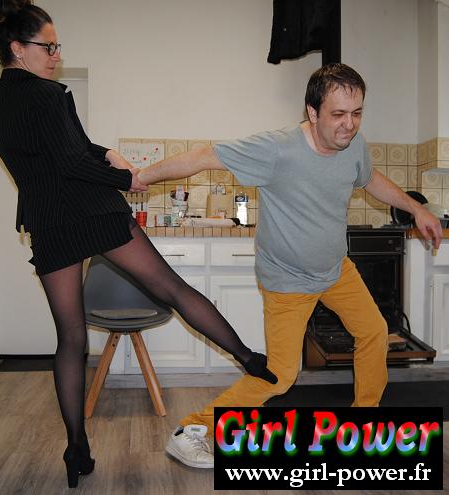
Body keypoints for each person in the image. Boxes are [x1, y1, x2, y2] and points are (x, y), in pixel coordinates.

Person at [0, 0, 276, 488]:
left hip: (49, 220)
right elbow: (73, 160)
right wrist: (126, 178)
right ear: (18, 48)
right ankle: (249, 358)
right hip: (92, 211)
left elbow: (64, 154)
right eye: (48, 47)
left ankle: (76, 446)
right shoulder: (50, 94)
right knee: (171, 288)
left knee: (70, 338)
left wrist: (109, 154)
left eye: (57, 47)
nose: (56, 55)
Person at [136, 63, 443, 469]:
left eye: (357, 113)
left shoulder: (354, 144)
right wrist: (140, 175)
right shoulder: (277, 149)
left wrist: (416, 208)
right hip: (288, 282)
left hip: (335, 270)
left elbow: (370, 179)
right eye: (338, 114)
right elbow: (204, 156)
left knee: (373, 332)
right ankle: (193, 429)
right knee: (281, 375)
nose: (349, 125)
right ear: (312, 113)